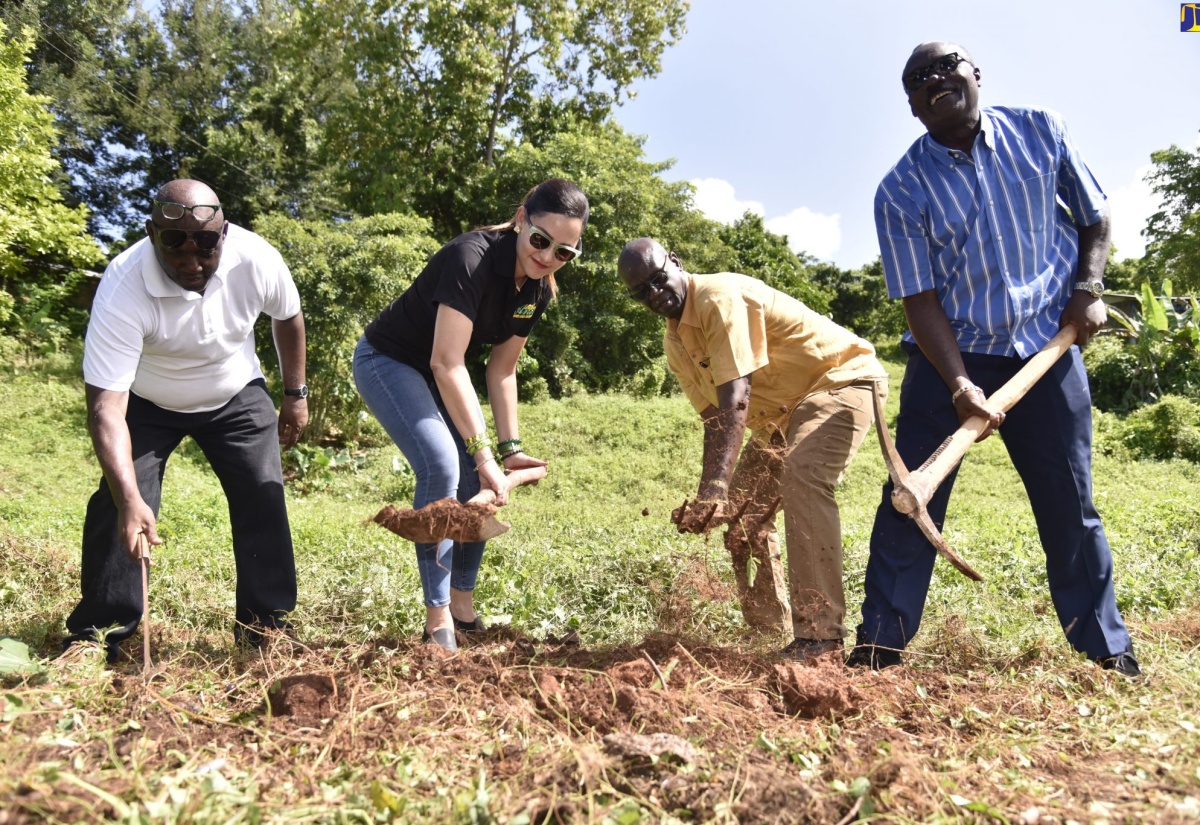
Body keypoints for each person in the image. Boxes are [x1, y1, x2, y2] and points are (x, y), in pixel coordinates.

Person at [849, 42, 1140, 676]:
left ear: (974, 73)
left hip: (1046, 350)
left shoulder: (1041, 130)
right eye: (917, 80)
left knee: (1071, 504)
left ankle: (1106, 652)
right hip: (948, 356)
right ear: (913, 107)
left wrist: (1088, 290)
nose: (934, 80)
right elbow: (919, 300)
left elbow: (1094, 218)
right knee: (910, 500)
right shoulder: (900, 189)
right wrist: (958, 384)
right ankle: (878, 648)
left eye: (945, 66)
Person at [65, 179, 308, 662]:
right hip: (151, 401)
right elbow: (106, 408)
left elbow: (289, 316)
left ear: (225, 234)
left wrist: (294, 393)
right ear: (152, 232)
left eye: (206, 247)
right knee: (119, 503)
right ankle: (98, 635)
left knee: (263, 495)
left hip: (236, 391)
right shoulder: (123, 285)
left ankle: (266, 629)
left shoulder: (256, 258)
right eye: (174, 246)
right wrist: (131, 495)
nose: (191, 262)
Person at [618, 239, 889, 660]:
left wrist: (714, 488)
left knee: (802, 475)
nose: (654, 294)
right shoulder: (675, 344)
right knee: (742, 516)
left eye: (657, 279)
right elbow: (715, 419)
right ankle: (768, 631)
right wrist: (714, 493)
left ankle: (820, 637)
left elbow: (735, 397)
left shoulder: (718, 298)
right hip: (780, 418)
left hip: (839, 382)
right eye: (642, 292)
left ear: (676, 261)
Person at [354, 179, 588, 652]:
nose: (546, 257)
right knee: (444, 465)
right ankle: (436, 622)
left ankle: (463, 609)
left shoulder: (535, 292)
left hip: (441, 373)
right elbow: (446, 361)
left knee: (471, 482)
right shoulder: (471, 258)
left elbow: (502, 370)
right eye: (540, 240)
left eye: (563, 252)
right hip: (390, 361)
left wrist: (510, 450)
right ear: (522, 219)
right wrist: (483, 455)